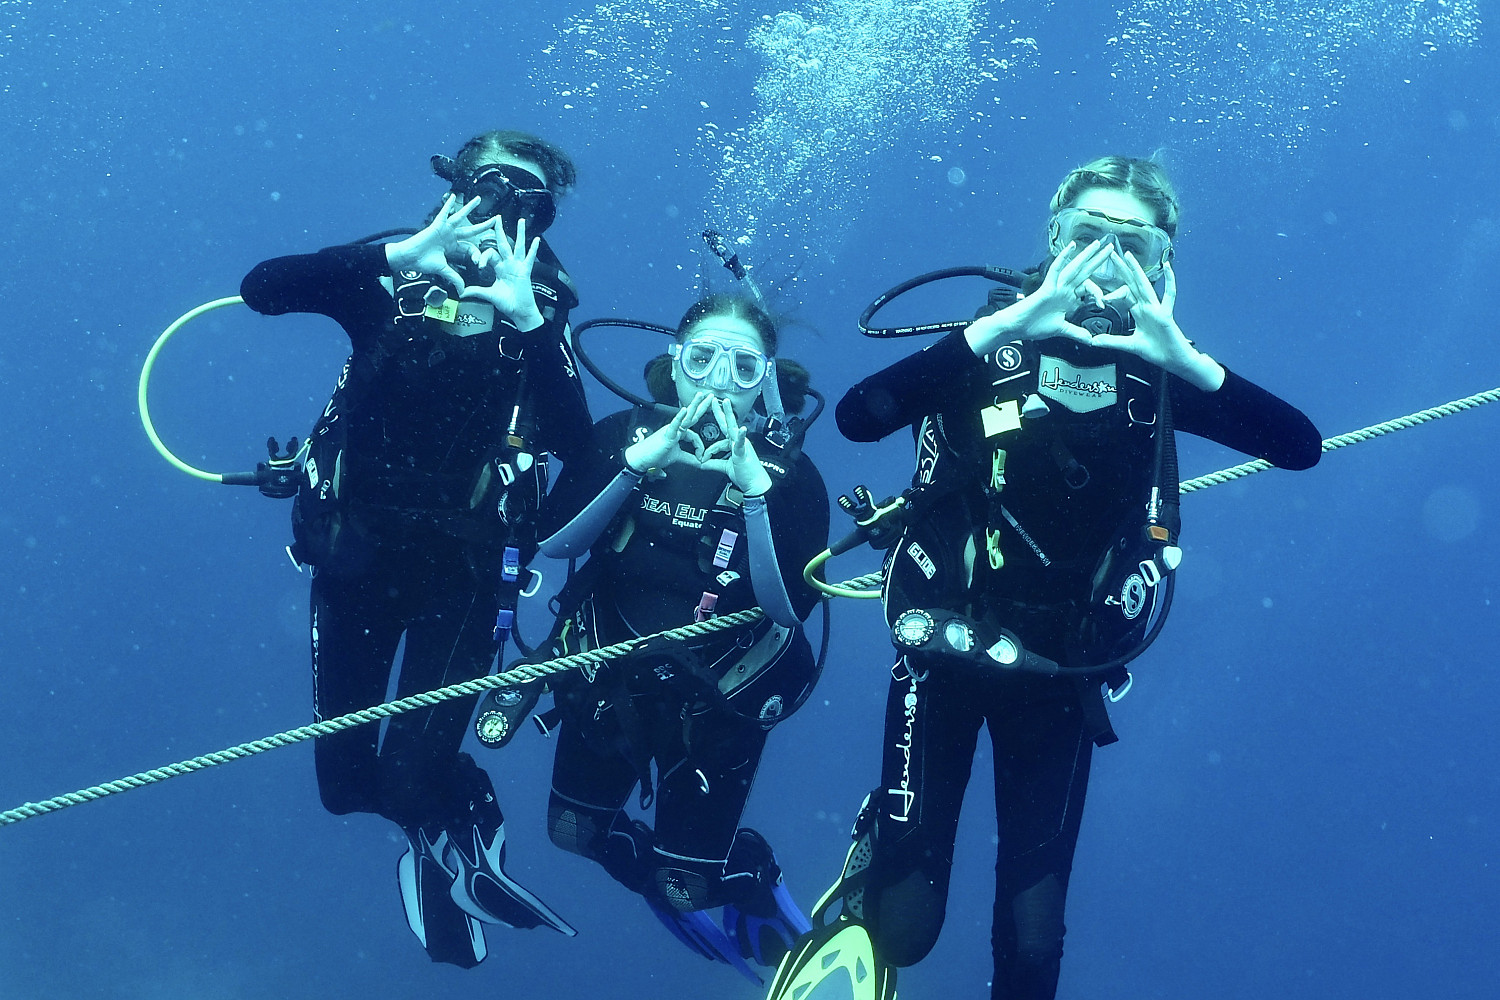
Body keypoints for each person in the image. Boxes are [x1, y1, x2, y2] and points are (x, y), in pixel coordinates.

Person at [767, 156, 1322, 1000]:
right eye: (1086, 234)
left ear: (1163, 262)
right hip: (946, 647)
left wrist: (1187, 360)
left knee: (1033, 948)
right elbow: (859, 415)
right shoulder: (989, 343)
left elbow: (1299, 446)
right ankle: (871, 857)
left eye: (1132, 244)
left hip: (1062, 669)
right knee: (907, 932)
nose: (1105, 257)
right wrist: (1007, 327)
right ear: (1052, 238)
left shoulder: (1157, 369)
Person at [238, 130, 591, 968]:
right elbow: (261, 290)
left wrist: (530, 320)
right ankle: (443, 826)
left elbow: (578, 442)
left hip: (463, 576)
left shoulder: (540, 304)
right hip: (355, 558)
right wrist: (402, 253)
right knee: (343, 790)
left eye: (528, 199)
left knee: (404, 776)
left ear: (543, 219)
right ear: (456, 187)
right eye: (491, 185)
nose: (505, 206)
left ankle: (457, 819)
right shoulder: (385, 274)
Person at [533, 294, 831, 982]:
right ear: (675, 364)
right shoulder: (621, 436)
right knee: (570, 834)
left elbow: (788, 611)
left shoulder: (791, 476)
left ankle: (746, 876)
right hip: (609, 688)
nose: (720, 379)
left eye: (744, 366)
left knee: (687, 888)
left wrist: (755, 495)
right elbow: (553, 543)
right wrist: (638, 464)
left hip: (719, 703)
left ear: (766, 381)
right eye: (702, 358)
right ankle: (673, 870)